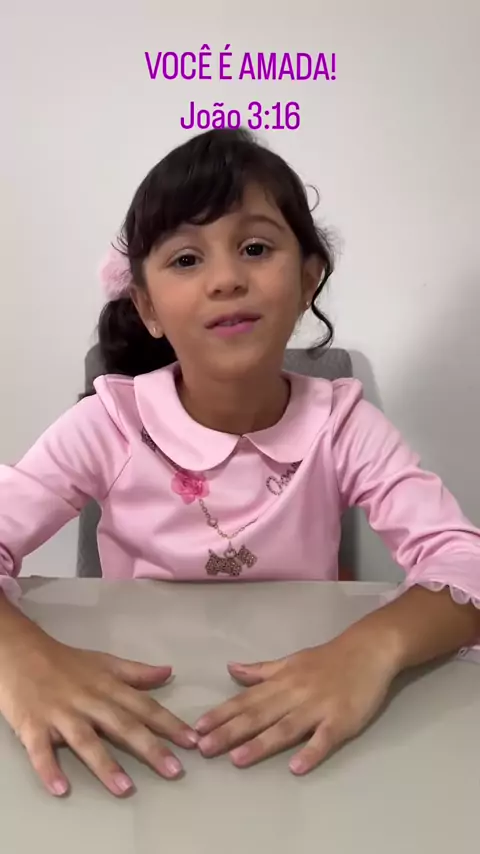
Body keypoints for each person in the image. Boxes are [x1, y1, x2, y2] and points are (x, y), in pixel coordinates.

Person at [1, 128, 479, 801]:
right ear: (147, 307)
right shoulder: (110, 423)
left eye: (255, 248)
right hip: (138, 730)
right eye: (186, 259)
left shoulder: (343, 424)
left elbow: (463, 560)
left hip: (301, 724)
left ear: (308, 278)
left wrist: (370, 648)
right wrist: (23, 660)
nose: (226, 279)